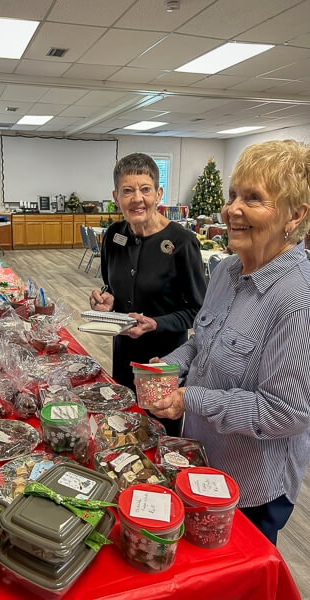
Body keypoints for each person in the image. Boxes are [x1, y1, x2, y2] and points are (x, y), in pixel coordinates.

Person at [149, 139, 310, 545]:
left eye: (253, 198)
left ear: (296, 215)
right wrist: (168, 365)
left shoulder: (297, 301)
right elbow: (202, 342)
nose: (232, 209)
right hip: (204, 457)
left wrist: (191, 399)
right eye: (233, 194)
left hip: (253, 487)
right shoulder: (226, 271)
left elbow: (285, 414)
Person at [90, 153, 206, 436]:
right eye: (128, 191)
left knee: (157, 435)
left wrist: (157, 323)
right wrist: (107, 300)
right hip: (123, 354)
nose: (137, 199)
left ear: (159, 193)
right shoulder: (114, 236)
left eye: (145, 189)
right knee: (121, 429)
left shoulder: (181, 242)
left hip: (162, 361)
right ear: (116, 197)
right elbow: (111, 287)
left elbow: (199, 312)